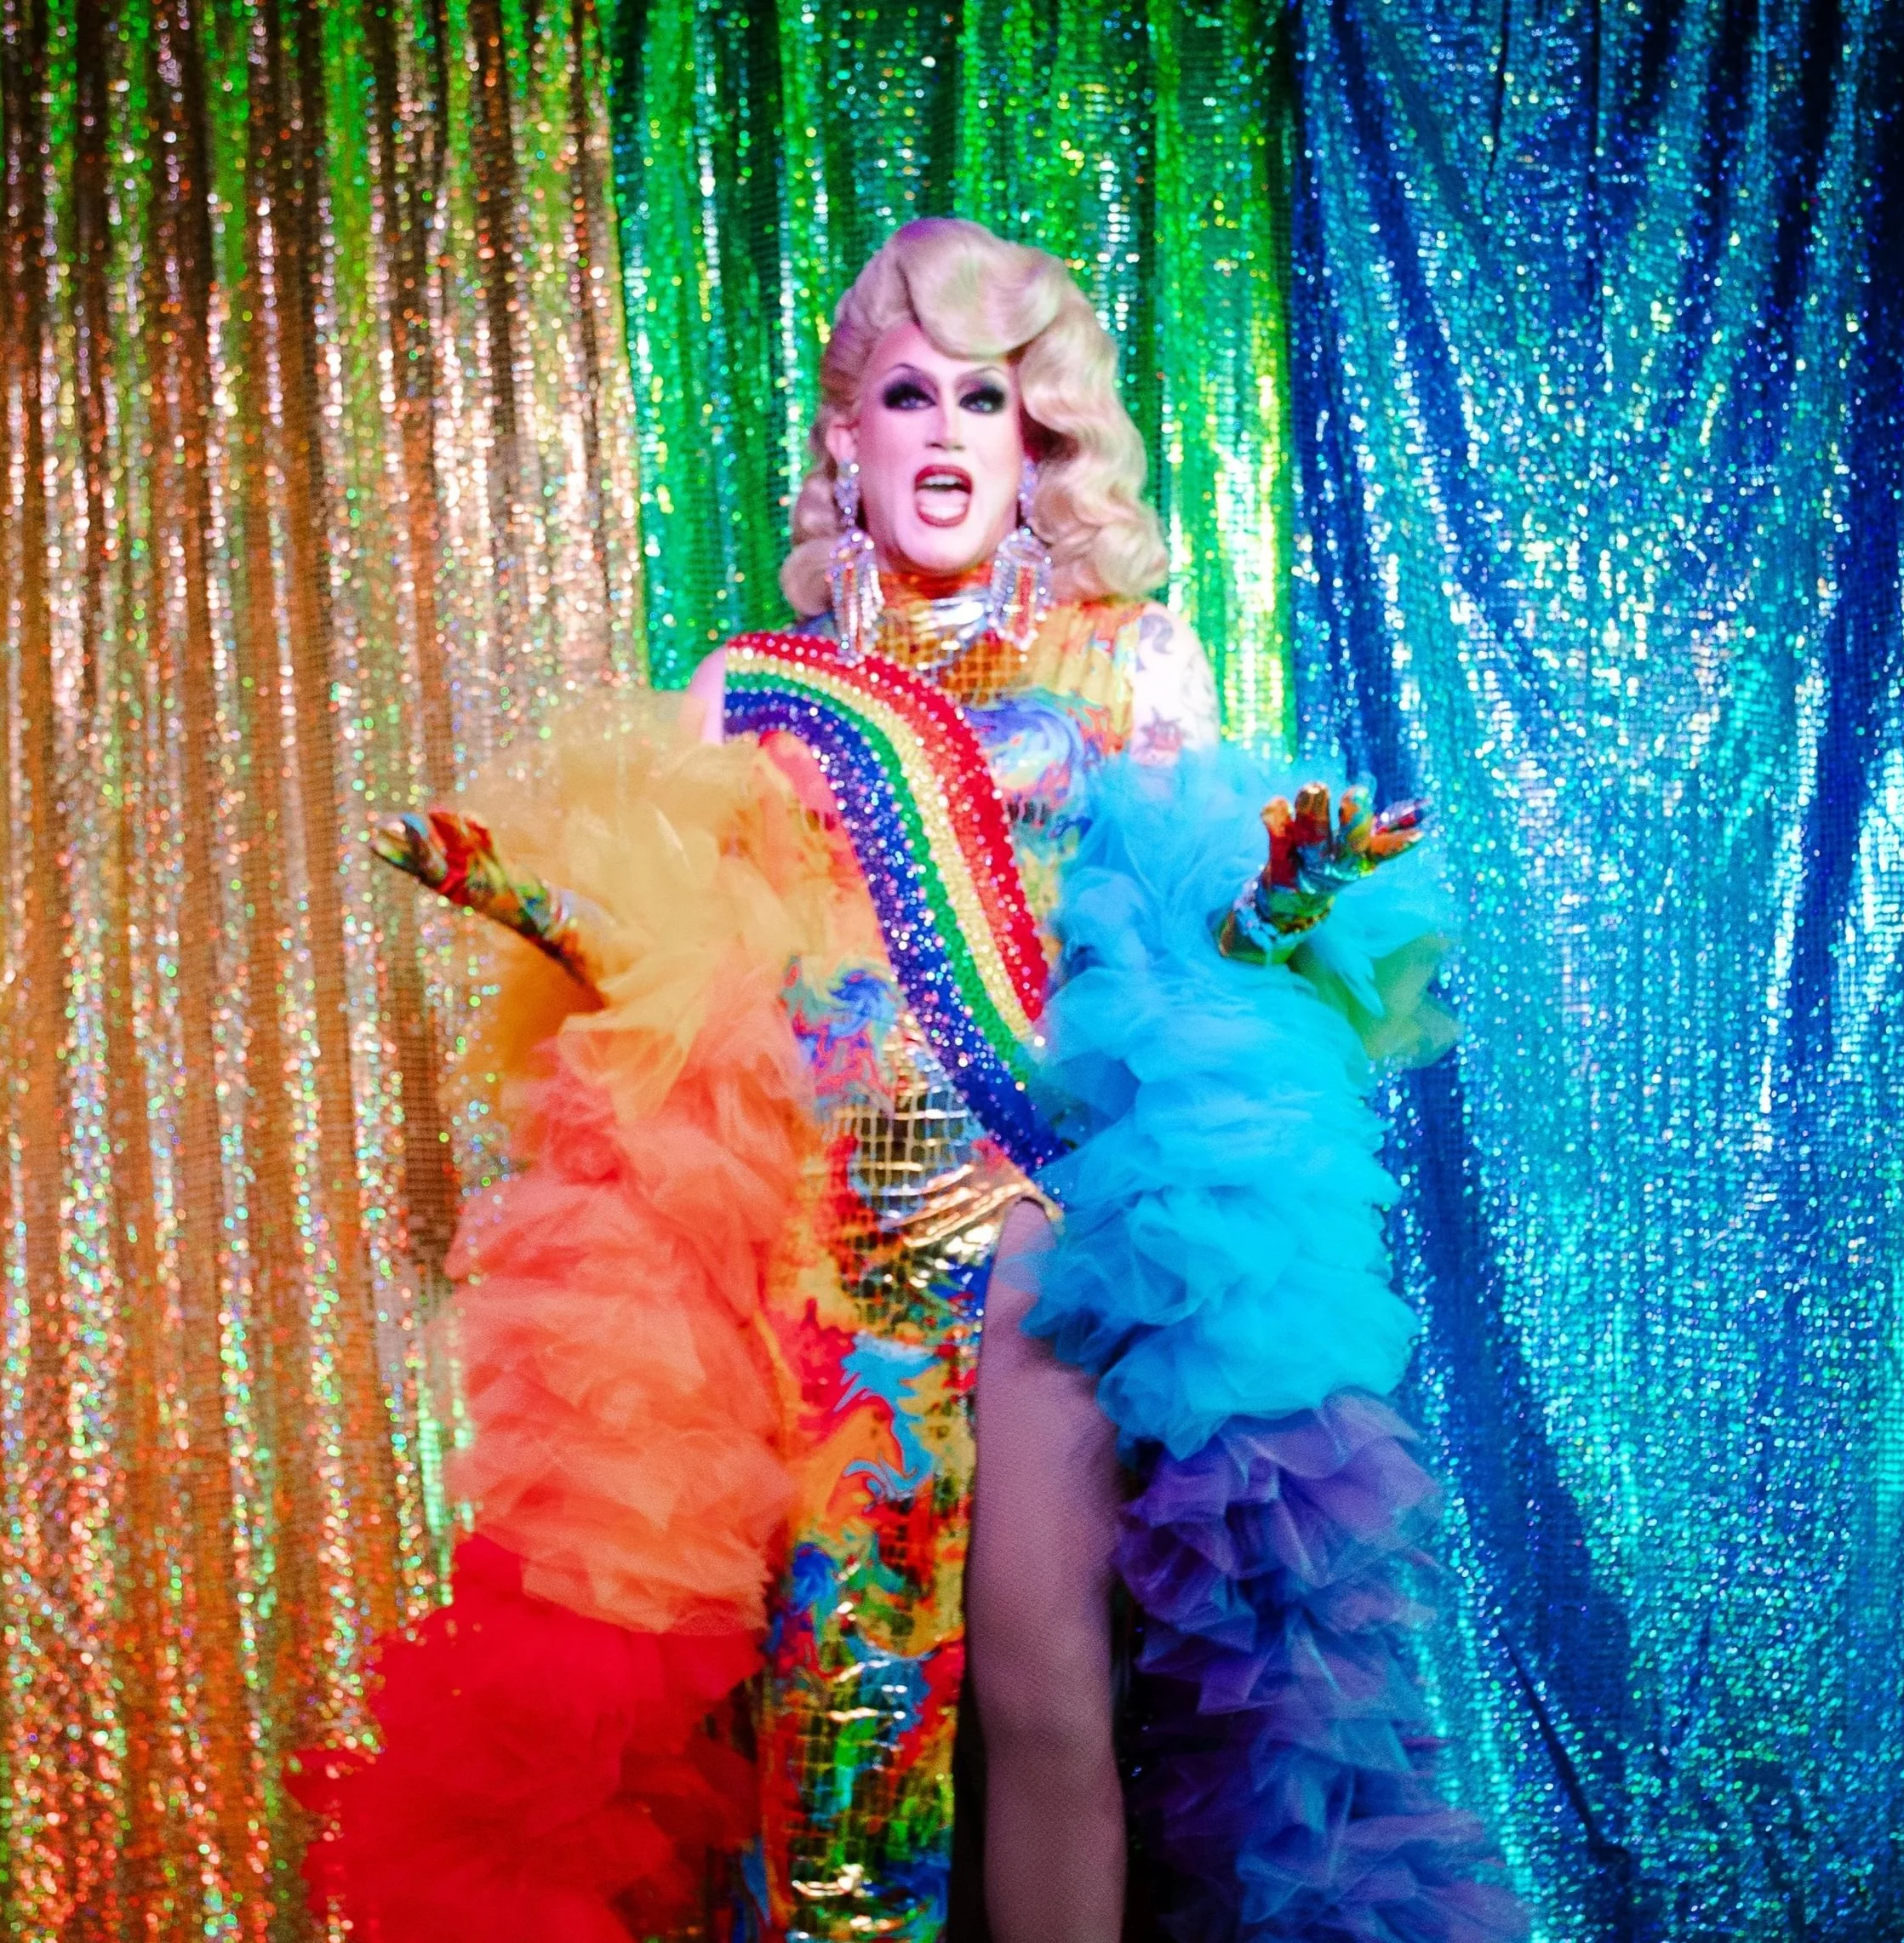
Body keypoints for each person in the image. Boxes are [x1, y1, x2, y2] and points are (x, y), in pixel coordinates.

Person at [295, 219, 1523, 1943]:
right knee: (836, 1717)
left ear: (1038, 444)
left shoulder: (1126, 662)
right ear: (846, 438)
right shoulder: (756, 690)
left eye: (985, 398)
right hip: (812, 1255)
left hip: (1036, 1238)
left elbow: (1180, 937)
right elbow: (680, 976)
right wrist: (544, 908)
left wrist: (1289, 890)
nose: (944, 431)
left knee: (1042, 1699)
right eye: (906, 392)